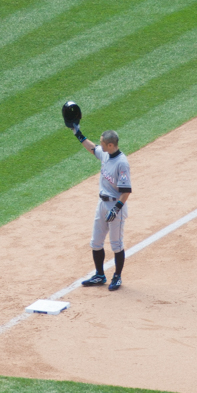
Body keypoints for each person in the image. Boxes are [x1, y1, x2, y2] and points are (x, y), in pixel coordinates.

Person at [64, 114, 132, 292]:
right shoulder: (106, 155)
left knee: (116, 244)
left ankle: (117, 277)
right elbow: (92, 148)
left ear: (111, 145)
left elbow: (126, 191)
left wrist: (116, 209)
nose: (100, 145)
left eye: (103, 143)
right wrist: (77, 132)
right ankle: (100, 275)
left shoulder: (122, 163)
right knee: (96, 243)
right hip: (102, 204)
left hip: (115, 206)